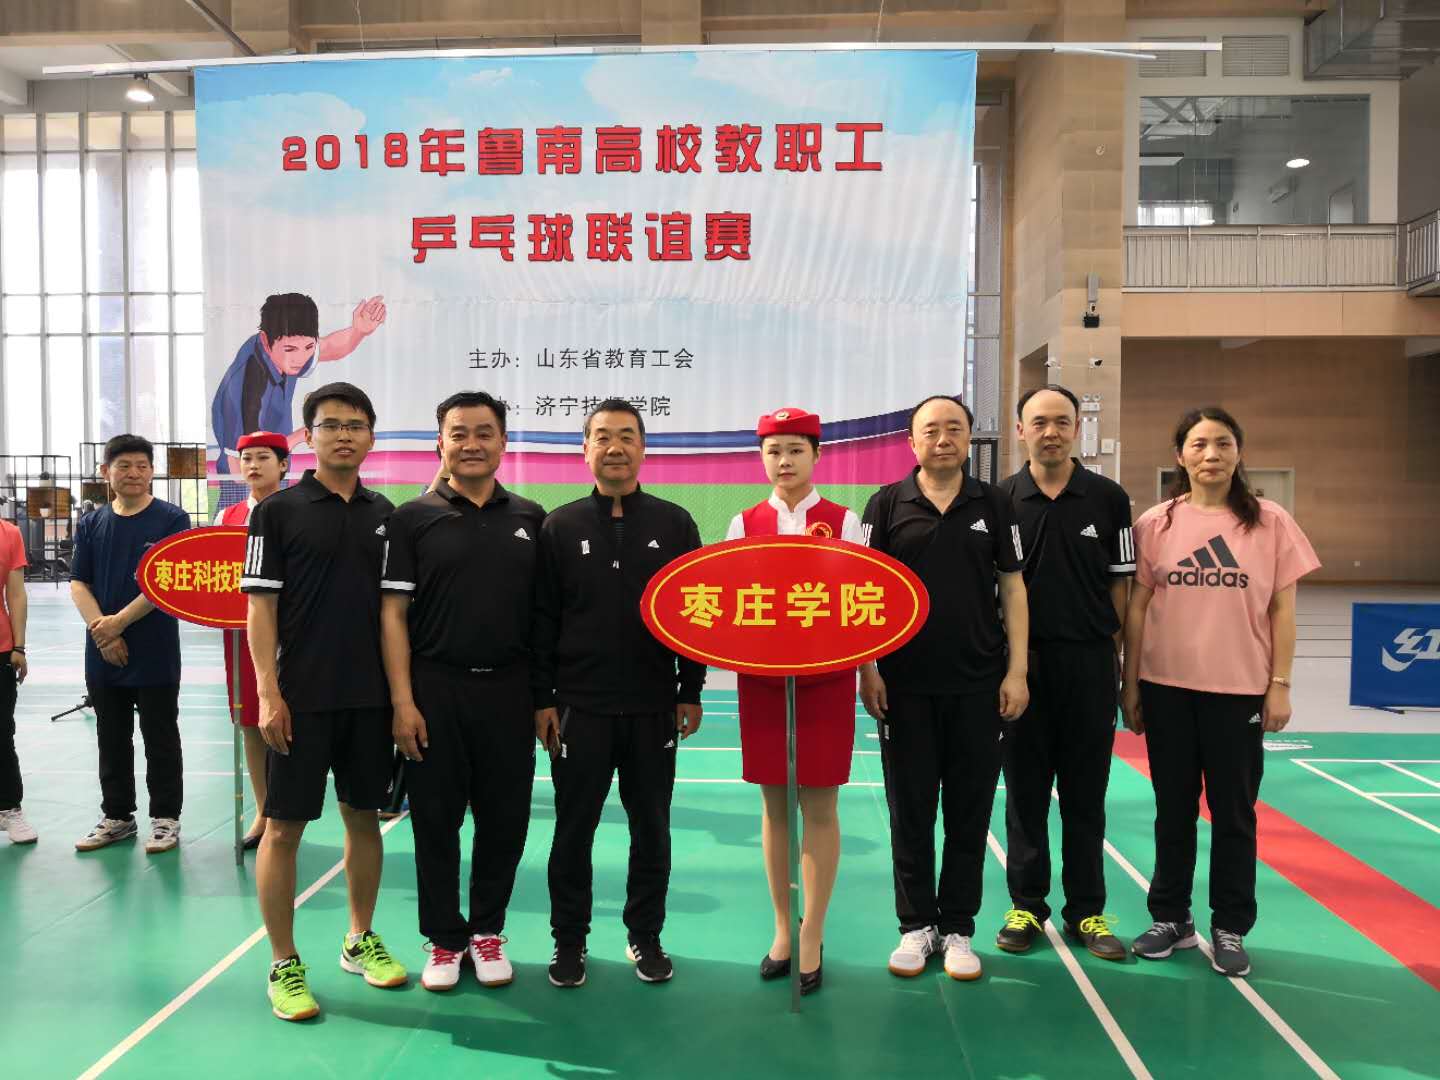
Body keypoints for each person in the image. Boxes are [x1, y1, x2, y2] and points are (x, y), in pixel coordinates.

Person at [1122, 406, 1319, 979]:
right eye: (1199, 444)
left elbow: (1283, 611)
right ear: (1180, 456)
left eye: (1223, 443)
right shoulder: (1156, 523)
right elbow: (1137, 609)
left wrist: (1279, 685)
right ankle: (1170, 918)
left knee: (1233, 814)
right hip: (1167, 689)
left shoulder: (1271, 522)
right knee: (1172, 811)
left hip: (1238, 694)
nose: (1211, 454)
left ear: (1238, 452)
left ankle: (1230, 924)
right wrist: (1130, 684)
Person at [241, 382, 407, 1021]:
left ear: (370, 437)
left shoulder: (384, 514)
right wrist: (268, 691)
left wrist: (398, 700)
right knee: (284, 828)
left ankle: (359, 938)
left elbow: (393, 614)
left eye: (355, 425)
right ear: (308, 437)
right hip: (299, 699)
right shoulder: (276, 512)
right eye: (331, 424)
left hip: (368, 700)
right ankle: (283, 962)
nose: (343, 434)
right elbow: (261, 608)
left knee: (364, 819)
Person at [533, 399, 706, 989]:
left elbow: (692, 612)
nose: (615, 447)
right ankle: (569, 941)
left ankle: (646, 936)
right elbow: (542, 620)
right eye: (602, 437)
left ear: (643, 448)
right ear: (585, 450)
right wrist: (543, 699)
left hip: (653, 707)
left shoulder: (675, 523)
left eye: (627, 436)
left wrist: (690, 689)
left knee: (651, 829)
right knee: (572, 830)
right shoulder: (558, 527)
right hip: (579, 709)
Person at [860, 394, 1029, 982]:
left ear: (968, 439)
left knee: (967, 811)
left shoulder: (995, 503)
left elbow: (1013, 587)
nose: (942, 439)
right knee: (909, 811)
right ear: (912, 442)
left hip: (979, 686)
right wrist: (869, 668)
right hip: (904, 687)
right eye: (930, 430)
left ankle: (957, 927)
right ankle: (915, 925)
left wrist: (1016, 671)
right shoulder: (886, 504)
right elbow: (865, 590)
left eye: (954, 429)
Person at [380, 391, 545, 993]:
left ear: (503, 442)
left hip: (510, 692)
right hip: (435, 690)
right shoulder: (412, 519)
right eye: (459, 433)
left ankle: (487, 930)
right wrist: (403, 702)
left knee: (506, 820)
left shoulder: (531, 518)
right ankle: (445, 939)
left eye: (483, 433)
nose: (471, 444)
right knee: (435, 821)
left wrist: (543, 698)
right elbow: (393, 615)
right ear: (440, 443)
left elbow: (543, 619)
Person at [723, 407, 863, 995]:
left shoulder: (844, 521)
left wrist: (867, 672)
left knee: (821, 805)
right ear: (762, 458)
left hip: (827, 680)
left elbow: (863, 605)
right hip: (763, 681)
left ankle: (813, 932)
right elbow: (729, 604)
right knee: (776, 805)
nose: (784, 461)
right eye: (774, 450)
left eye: (796, 450)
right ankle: (783, 928)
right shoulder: (744, 523)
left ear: (817, 455)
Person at [996, 386, 1133, 961]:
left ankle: (1087, 911)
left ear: (1077, 428)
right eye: (1039, 422)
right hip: (1020, 670)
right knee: (1025, 795)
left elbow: (1122, 588)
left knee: (1086, 796)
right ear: (1020, 430)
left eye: (1061, 421)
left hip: (1089, 667)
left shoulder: (1109, 498)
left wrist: (1120, 667)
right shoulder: (1000, 500)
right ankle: (1026, 904)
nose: (1050, 432)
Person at [70, 435, 192, 854]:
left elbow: (166, 583)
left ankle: (166, 819)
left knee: (160, 736)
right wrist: (101, 632)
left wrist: (117, 624)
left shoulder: (172, 519)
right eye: (124, 466)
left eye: (142, 465)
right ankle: (117, 816)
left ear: (152, 471)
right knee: (111, 736)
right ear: (106, 472)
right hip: (103, 650)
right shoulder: (91, 523)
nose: (134, 473)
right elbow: (79, 582)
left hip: (155, 648)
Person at [212, 292, 386, 474]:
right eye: (290, 349)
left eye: (309, 347)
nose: (301, 358)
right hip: (246, 480)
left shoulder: (281, 350)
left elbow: (330, 347)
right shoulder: (244, 386)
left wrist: (358, 331)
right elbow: (240, 465)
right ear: (265, 341)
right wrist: (301, 435)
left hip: (277, 471)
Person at [215, 431, 290, 849]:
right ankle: (263, 810)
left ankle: (287, 810)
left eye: (263, 457)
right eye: (247, 459)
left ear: (283, 465)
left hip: (294, 632)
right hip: (241, 634)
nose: (254, 465)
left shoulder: (298, 510)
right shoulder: (226, 518)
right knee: (250, 722)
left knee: (291, 719)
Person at [0, 515, 35, 844]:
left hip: (1, 649)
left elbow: (16, 594)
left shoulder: (8, 534)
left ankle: (9, 808)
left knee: (1, 732)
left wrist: (19, 646)